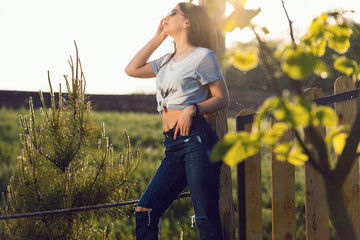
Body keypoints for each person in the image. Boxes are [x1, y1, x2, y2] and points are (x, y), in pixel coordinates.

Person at [125, 2, 229, 240]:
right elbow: (131, 69)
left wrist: (193, 108)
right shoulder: (165, 60)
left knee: (205, 218)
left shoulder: (203, 56)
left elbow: (222, 98)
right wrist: (158, 37)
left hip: (197, 141)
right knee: (145, 210)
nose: (167, 16)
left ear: (187, 22)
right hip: (172, 145)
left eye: (173, 12)